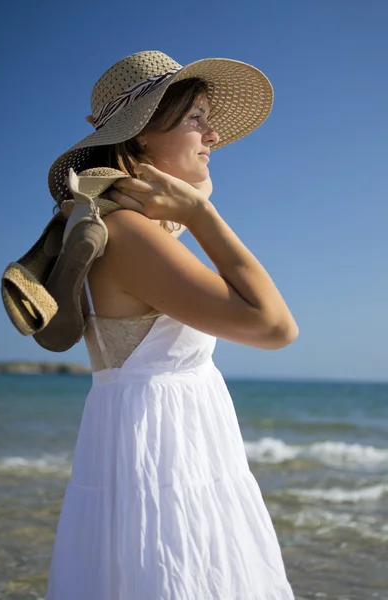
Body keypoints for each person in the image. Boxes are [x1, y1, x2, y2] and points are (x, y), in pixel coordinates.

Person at [45, 50, 298, 600]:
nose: (213, 136)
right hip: (163, 452)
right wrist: (202, 215)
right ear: (138, 138)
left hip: (160, 440)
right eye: (194, 119)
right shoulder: (130, 234)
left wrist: (190, 203)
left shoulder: (119, 224)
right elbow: (275, 326)